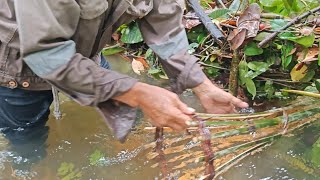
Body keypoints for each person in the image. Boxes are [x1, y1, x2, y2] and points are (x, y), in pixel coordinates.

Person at [0, 0, 248, 143]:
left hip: (86, 54)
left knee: (130, 118)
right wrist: (137, 93)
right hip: (17, 66)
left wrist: (200, 84)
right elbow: (47, 53)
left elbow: (164, 21)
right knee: (27, 140)